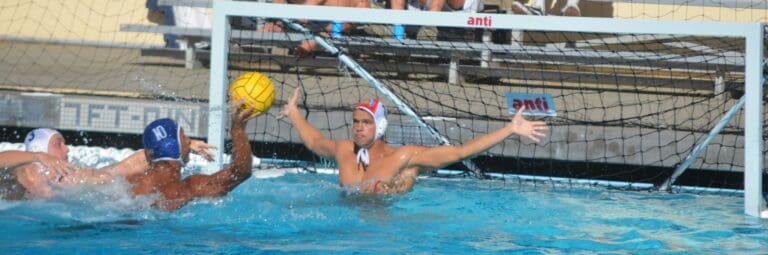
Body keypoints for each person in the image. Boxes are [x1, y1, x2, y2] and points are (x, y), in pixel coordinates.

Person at [278, 88, 548, 194]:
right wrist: (293, 113)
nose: (358, 128)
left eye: (366, 122)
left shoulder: (404, 157)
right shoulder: (344, 150)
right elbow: (315, 141)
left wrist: (509, 129)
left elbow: (460, 152)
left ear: (380, 126)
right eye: (355, 121)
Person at [127, 100, 259, 211]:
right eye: (183, 137)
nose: (189, 141)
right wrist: (238, 128)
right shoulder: (189, 188)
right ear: (172, 147)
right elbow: (240, 171)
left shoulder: (130, 183)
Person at [0, 128, 173, 200]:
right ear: (42, 149)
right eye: (58, 144)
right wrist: (37, 156)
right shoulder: (20, 174)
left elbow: (123, 167)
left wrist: (179, 146)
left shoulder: (75, 176)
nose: (67, 149)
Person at [259, 0, 371, 57]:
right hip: (299, 16)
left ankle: (319, 39)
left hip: (337, 18)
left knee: (363, 5)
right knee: (266, 30)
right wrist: (277, 21)